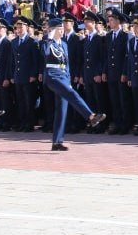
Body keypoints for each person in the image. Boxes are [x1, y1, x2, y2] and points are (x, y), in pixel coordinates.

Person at [41, 17, 106, 150]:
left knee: (62, 109)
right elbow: (45, 53)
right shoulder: (48, 43)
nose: (62, 31)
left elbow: (67, 64)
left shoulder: (64, 44)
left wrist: (68, 79)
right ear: (53, 30)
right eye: (59, 29)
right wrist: (50, 36)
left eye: (62, 28)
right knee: (71, 94)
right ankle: (90, 116)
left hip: (63, 76)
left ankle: (57, 142)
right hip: (53, 76)